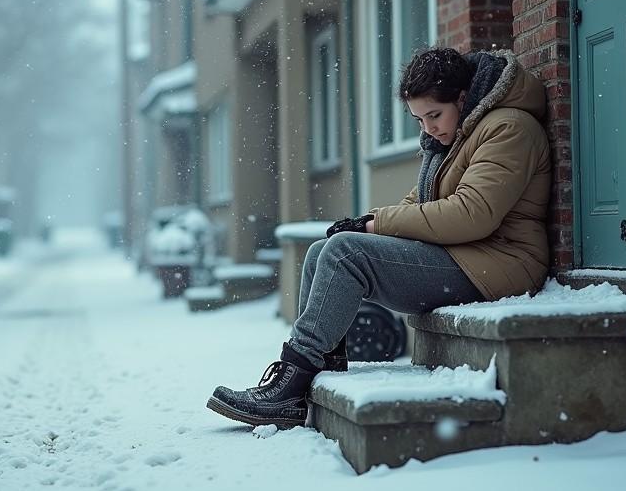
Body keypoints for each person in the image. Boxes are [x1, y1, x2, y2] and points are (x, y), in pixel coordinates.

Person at [206, 47, 551, 429]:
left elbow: (473, 214)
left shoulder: (507, 128)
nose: (428, 128)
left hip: (502, 263)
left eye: (434, 115)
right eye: (419, 120)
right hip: (467, 255)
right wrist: (365, 221)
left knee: (344, 253)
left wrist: (374, 226)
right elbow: (420, 202)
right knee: (323, 250)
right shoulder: (456, 133)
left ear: (462, 97)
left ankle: (291, 381)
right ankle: (319, 371)